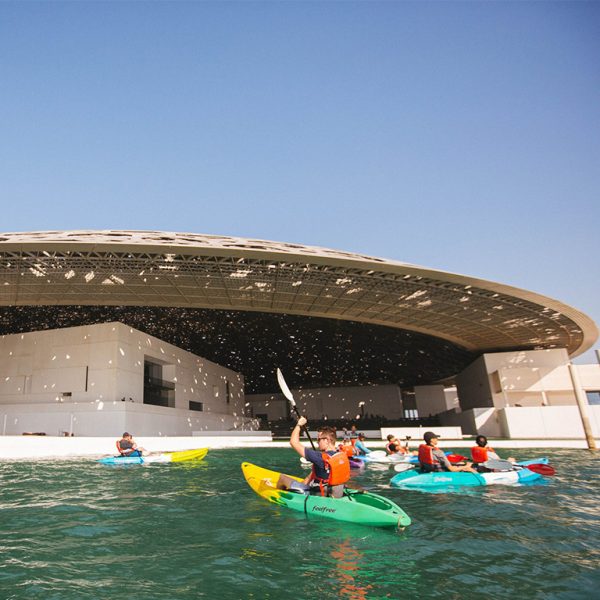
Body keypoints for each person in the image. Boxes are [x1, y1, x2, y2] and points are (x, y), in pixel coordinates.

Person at [275, 416, 350, 498]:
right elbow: (312, 476)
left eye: (319, 439)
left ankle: (278, 495)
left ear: (327, 440)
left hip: (318, 495)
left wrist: (299, 425)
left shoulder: (319, 457)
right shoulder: (339, 455)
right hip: (335, 493)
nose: (317, 442)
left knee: (282, 477)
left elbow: (293, 442)